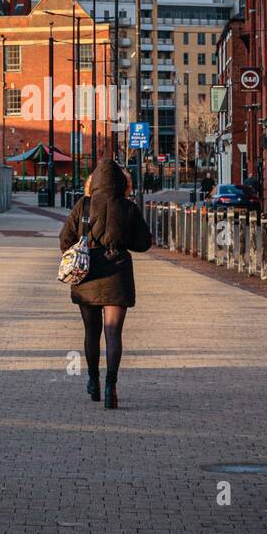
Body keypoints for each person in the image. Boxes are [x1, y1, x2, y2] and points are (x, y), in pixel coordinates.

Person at [59, 160, 153, 409]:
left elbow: (65, 237)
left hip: (87, 275)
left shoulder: (85, 205)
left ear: (94, 182)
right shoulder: (128, 207)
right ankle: (112, 385)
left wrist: (79, 251)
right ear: (122, 184)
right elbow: (144, 242)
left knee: (92, 332)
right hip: (117, 276)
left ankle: (93, 381)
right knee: (113, 333)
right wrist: (120, 243)